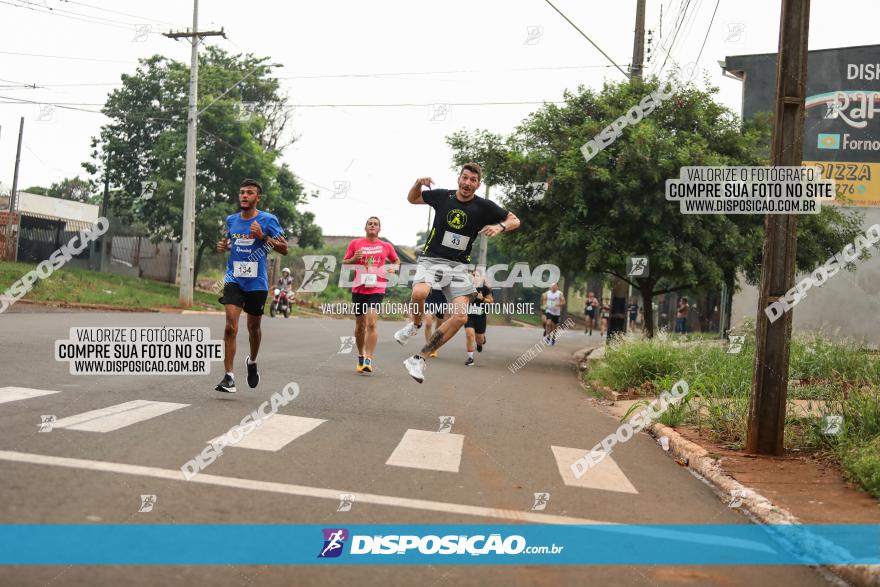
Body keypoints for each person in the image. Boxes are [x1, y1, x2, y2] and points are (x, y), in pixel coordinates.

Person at [393, 163, 520, 383]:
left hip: (458, 266)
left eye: (473, 180)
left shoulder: (484, 206)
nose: (468, 183)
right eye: (465, 178)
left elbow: (514, 219)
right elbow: (413, 199)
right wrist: (417, 183)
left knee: (460, 316)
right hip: (432, 259)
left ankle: (419, 359)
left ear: (478, 185)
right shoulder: (443, 197)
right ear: (459, 179)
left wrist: (500, 226)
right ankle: (414, 325)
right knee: (419, 294)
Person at [215, 179, 288, 393]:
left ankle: (252, 361)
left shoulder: (268, 220)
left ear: (258, 197)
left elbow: (284, 248)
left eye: (249, 193)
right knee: (230, 327)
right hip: (234, 279)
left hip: (257, 282)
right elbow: (232, 242)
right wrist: (224, 246)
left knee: (253, 329)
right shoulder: (231, 220)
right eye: (242, 192)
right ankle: (229, 377)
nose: (244, 196)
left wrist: (263, 237)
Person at [343, 216, 399, 374]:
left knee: (372, 322)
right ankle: (361, 355)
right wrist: (354, 258)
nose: (373, 226)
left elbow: (396, 260)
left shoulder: (385, 246)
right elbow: (345, 262)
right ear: (365, 227)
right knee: (360, 327)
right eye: (370, 224)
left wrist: (393, 268)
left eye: (376, 224)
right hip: (359, 288)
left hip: (377, 288)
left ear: (379, 228)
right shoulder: (355, 243)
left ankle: (369, 359)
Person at [464, 269, 493, 365]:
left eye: (477, 276)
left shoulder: (484, 289)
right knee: (469, 334)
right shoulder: (466, 287)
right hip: (469, 315)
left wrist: (483, 298)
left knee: (479, 339)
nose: (475, 277)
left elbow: (491, 301)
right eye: (473, 275)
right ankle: (470, 358)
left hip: (480, 316)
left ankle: (480, 342)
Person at [423, 286, 448, 358]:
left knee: (438, 326)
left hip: (442, 297)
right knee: (428, 323)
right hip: (430, 295)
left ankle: (434, 343)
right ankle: (429, 347)